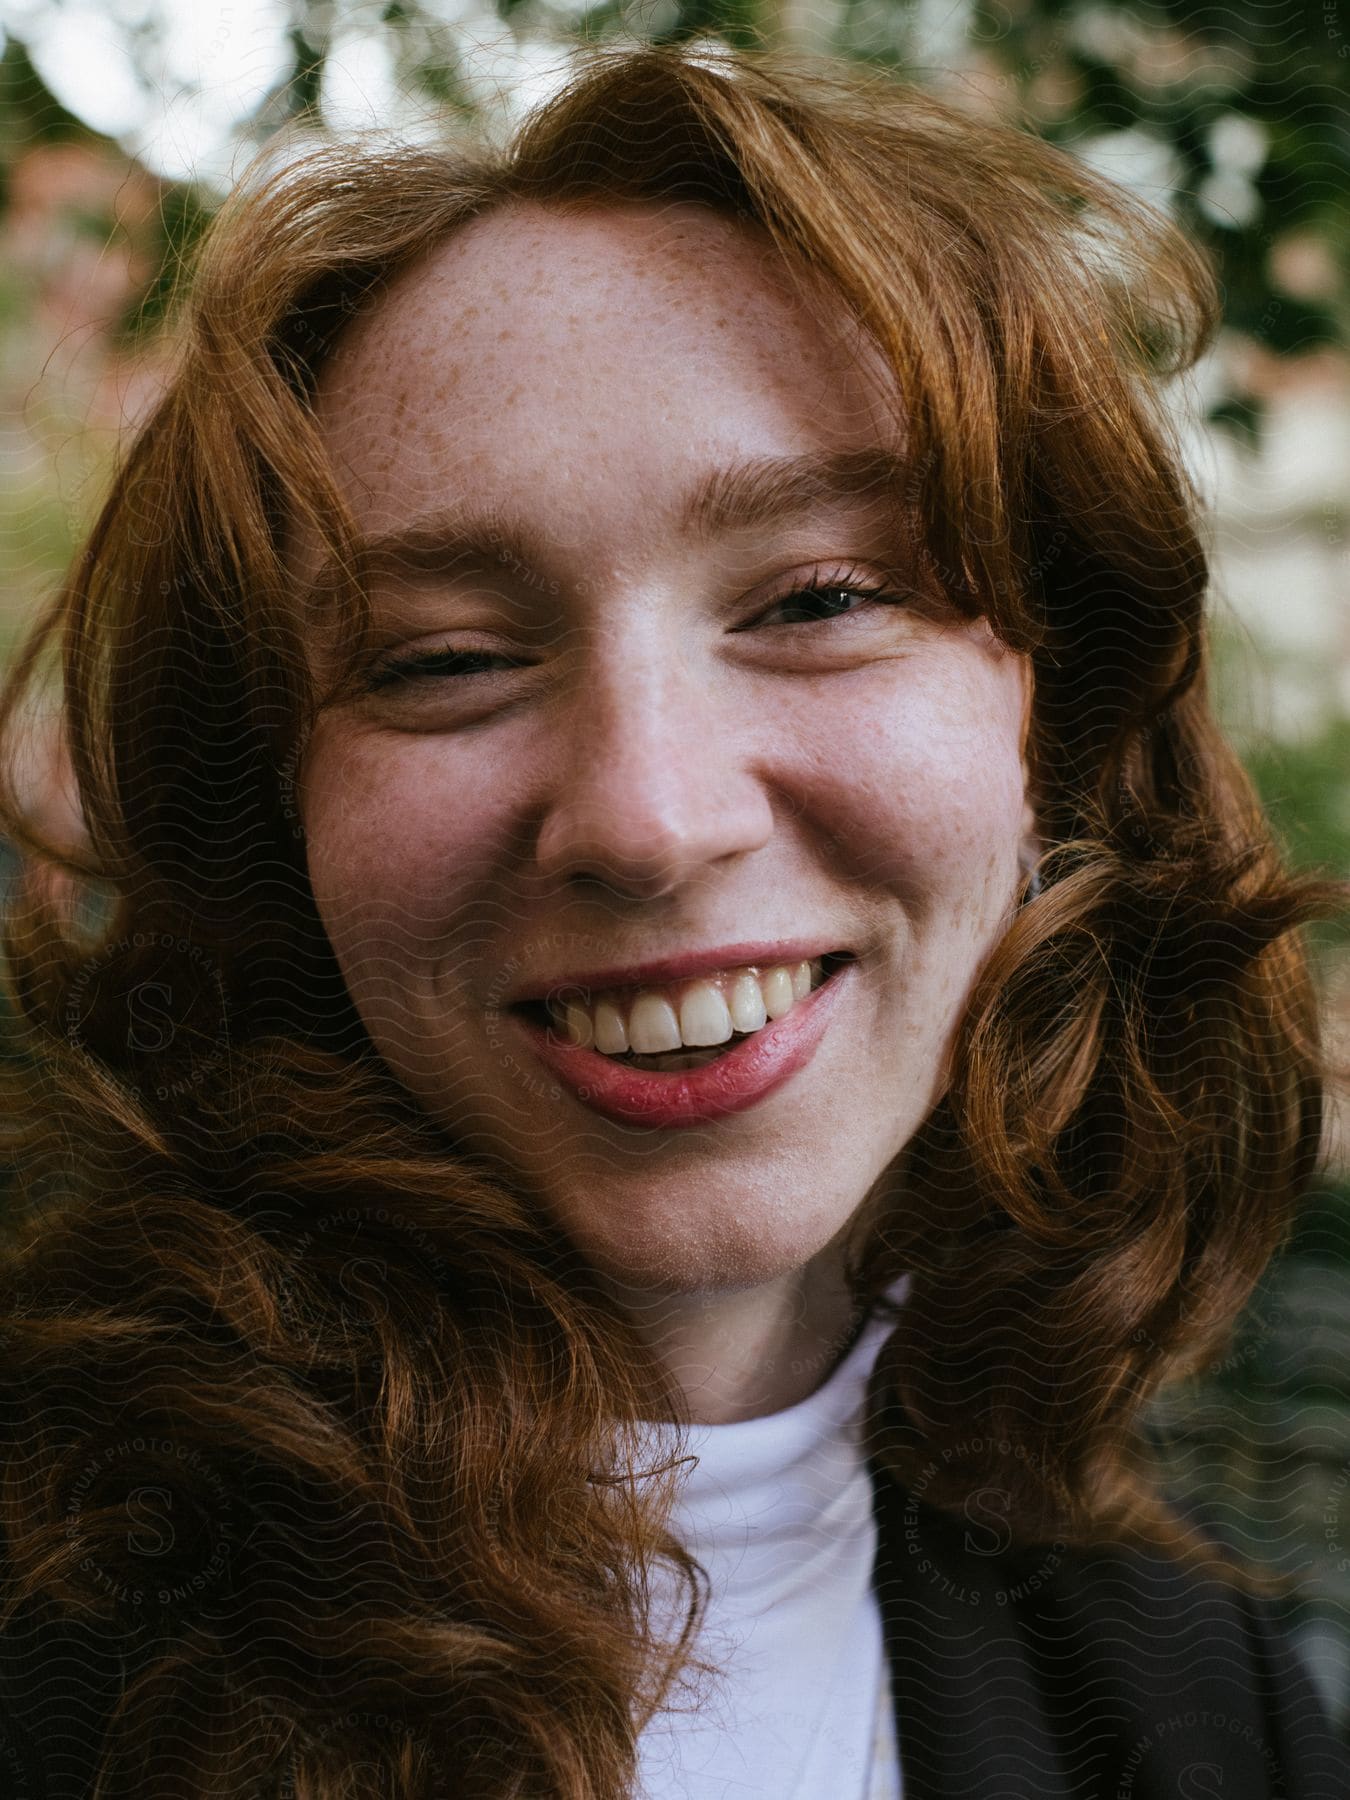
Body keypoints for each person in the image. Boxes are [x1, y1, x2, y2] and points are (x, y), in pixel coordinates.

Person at [0, 40, 1344, 1800]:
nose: (646, 818)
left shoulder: (1196, 1700)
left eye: (818, 598)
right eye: (445, 661)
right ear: (276, 821)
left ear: (1056, 737)